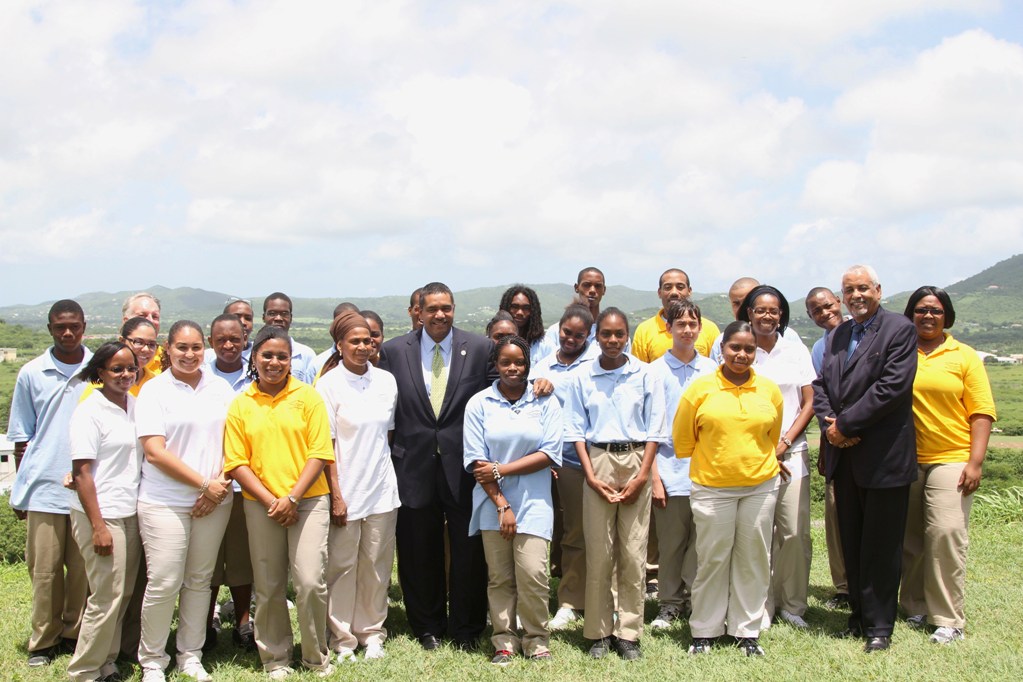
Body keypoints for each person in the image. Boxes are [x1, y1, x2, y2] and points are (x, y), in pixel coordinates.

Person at [377, 282, 493, 651]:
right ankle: (426, 626)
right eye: (432, 309)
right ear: (419, 312)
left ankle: (466, 627)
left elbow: (498, 395)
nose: (440, 315)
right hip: (412, 467)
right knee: (416, 551)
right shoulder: (393, 351)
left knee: (468, 552)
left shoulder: (478, 348)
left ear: (454, 308)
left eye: (446, 308)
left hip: (464, 469)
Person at [813, 264, 918, 653]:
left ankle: (879, 627)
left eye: (862, 288)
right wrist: (830, 429)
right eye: (848, 290)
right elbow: (822, 384)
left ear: (878, 289)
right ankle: (856, 616)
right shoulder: (838, 334)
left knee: (881, 544)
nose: (855, 295)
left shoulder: (899, 330)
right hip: (844, 456)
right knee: (852, 540)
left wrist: (846, 424)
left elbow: (892, 388)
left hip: (883, 455)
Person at [224, 325, 335, 678]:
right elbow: (236, 462)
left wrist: (292, 497)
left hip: (309, 501)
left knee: (309, 582)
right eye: (267, 355)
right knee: (268, 585)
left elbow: (320, 452)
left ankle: (316, 656)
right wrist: (273, 500)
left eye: (282, 356)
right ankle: (276, 658)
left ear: (291, 360)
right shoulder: (241, 403)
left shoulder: (309, 396)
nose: (274, 362)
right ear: (254, 358)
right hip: (262, 504)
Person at [673, 321, 785, 657]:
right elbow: (683, 439)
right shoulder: (700, 389)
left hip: (760, 486)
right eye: (735, 347)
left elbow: (771, 435)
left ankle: (746, 631)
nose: (741, 354)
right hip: (713, 488)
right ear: (722, 348)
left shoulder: (769, 389)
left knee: (754, 559)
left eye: (749, 349)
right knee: (712, 559)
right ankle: (704, 630)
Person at [134, 320, 236, 682]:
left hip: (216, 500)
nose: (190, 355)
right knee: (163, 581)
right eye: (182, 348)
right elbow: (155, 452)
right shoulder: (154, 391)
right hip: (165, 501)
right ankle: (153, 660)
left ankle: (190, 655)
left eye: (195, 348)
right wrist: (203, 485)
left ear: (204, 348)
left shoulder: (220, 388)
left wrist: (218, 486)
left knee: (199, 579)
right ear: (167, 348)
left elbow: (235, 446)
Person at [564, 307, 666, 661]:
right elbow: (575, 427)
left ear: (628, 336)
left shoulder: (645, 374)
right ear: (597, 336)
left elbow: (655, 429)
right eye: (605, 334)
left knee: (634, 552)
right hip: (597, 459)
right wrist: (590, 474)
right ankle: (598, 631)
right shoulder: (583, 376)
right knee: (600, 551)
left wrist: (643, 475)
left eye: (619, 334)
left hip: (637, 459)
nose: (612, 340)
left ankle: (629, 632)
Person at [899, 287, 996, 644]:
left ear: (947, 316)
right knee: (910, 539)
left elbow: (981, 411)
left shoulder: (964, 356)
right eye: (921, 310)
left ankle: (948, 618)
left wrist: (975, 462)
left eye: (936, 311)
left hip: (951, 457)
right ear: (911, 314)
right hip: (906, 459)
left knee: (945, 533)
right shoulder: (901, 351)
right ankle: (914, 606)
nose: (928, 316)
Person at [464, 336, 563, 664]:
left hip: (534, 501)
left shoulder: (545, 401)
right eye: (505, 362)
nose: (512, 368)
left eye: (519, 362)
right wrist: (502, 504)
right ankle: (504, 641)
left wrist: (501, 468)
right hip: (493, 504)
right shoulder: (479, 404)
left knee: (533, 573)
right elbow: (479, 466)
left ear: (528, 364)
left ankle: (536, 639)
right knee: (501, 577)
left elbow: (549, 452)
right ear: (495, 365)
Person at [7, 299, 91, 668]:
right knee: (44, 571)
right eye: (60, 327)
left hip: (87, 488)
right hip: (43, 489)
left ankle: (74, 634)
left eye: (74, 326)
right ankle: (43, 640)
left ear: (84, 326)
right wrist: (22, 490)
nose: (68, 333)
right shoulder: (31, 373)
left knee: (82, 572)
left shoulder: (99, 368)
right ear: (50, 329)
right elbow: (21, 438)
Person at [316, 312, 400, 662]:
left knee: (377, 565)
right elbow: (326, 447)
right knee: (341, 567)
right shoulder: (328, 385)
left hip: (382, 488)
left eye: (368, 340)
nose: (363, 347)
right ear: (339, 345)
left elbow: (388, 435)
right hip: (345, 491)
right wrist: (336, 496)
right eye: (355, 341)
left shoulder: (387, 382)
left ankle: (371, 632)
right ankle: (342, 637)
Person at [738, 285, 816, 629]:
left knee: (794, 532)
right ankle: (761, 605)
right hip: (750, 457)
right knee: (757, 533)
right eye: (759, 310)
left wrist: (784, 442)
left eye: (773, 310)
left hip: (791, 452)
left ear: (781, 313)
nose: (766, 315)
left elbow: (809, 402)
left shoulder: (796, 351)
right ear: (748, 313)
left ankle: (793, 605)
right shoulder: (739, 349)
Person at [66, 342, 144, 682]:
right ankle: (83, 670)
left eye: (130, 368)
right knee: (105, 596)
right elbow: (82, 473)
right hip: (101, 514)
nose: (125, 374)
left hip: (130, 511)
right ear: (100, 372)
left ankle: (106, 661)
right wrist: (98, 526)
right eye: (117, 369)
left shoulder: (135, 406)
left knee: (122, 593)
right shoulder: (90, 410)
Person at [646, 300, 716, 630]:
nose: (687, 330)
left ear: (700, 328)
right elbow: (650, 431)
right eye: (680, 324)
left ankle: (694, 597)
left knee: (701, 543)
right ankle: (669, 603)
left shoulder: (713, 371)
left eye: (692, 324)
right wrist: (654, 479)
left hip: (707, 474)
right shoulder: (654, 373)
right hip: (669, 471)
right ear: (669, 329)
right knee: (671, 543)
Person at [531, 305, 595, 630]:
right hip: (555, 459)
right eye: (566, 333)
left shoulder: (596, 362)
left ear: (588, 335)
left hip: (591, 456)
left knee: (588, 532)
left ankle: (585, 599)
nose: (571, 339)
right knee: (565, 531)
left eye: (579, 334)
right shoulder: (543, 366)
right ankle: (567, 598)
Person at [203, 313, 255, 651]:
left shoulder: (257, 377)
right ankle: (204, 623)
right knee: (205, 561)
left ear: (245, 340)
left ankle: (242, 621)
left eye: (234, 339)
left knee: (241, 560)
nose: (228, 345)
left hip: (244, 487)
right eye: (221, 339)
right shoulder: (199, 377)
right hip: (206, 486)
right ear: (211, 341)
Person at [805, 286, 849, 609]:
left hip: (866, 435)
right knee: (835, 514)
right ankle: (844, 586)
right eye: (816, 310)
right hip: (834, 438)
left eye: (827, 305)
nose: (824, 313)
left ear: (839, 301)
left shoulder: (869, 336)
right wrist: (829, 436)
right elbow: (821, 398)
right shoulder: (819, 348)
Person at [632, 269, 720, 361]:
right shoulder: (644, 330)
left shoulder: (710, 329)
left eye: (680, 287)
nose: (674, 292)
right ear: (659, 292)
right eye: (668, 287)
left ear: (689, 291)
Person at [262, 292, 318, 384]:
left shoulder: (306, 354)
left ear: (291, 318)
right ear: (264, 317)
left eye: (284, 314)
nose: (278, 318)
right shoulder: (254, 352)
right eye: (272, 313)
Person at [498, 285, 547, 363]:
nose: (520, 313)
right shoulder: (492, 342)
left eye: (526, 308)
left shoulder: (544, 346)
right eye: (514, 306)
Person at [313, 303, 361, 377]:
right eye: (342, 322)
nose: (347, 327)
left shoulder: (371, 360)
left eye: (353, 321)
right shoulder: (318, 364)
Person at [122, 293, 163, 375]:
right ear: (126, 321)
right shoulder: (108, 364)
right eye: (142, 315)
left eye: (155, 316)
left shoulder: (170, 361)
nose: (150, 321)